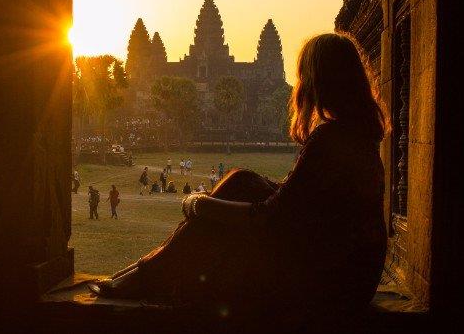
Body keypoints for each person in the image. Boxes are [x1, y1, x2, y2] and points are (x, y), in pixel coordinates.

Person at [89, 33, 388, 322]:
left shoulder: (331, 139)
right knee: (242, 180)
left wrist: (199, 205)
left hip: (332, 284)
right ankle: (149, 271)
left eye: (304, 76)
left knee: (225, 233)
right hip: (354, 276)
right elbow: (296, 201)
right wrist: (236, 189)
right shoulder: (358, 136)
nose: (300, 85)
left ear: (320, 81)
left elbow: (272, 216)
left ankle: (147, 274)